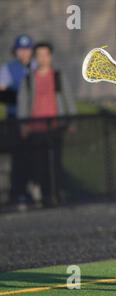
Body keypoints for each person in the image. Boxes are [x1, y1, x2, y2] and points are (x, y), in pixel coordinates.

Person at [17, 42, 77, 206]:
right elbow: (23, 103)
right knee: (39, 163)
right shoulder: (29, 79)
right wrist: (24, 124)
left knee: (55, 161)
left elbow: (67, 99)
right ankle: (44, 196)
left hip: (55, 125)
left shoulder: (58, 76)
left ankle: (56, 193)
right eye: (39, 55)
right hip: (36, 126)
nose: (43, 59)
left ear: (50, 56)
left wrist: (71, 120)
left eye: (46, 55)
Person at [0, 34, 35, 207]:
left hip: (35, 119)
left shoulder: (35, 67)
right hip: (15, 118)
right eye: (21, 50)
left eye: (27, 49)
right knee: (18, 156)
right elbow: (4, 93)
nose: (24, 53)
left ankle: (32, 190)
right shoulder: (8, 69)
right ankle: (17, 192)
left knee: (34, 156)